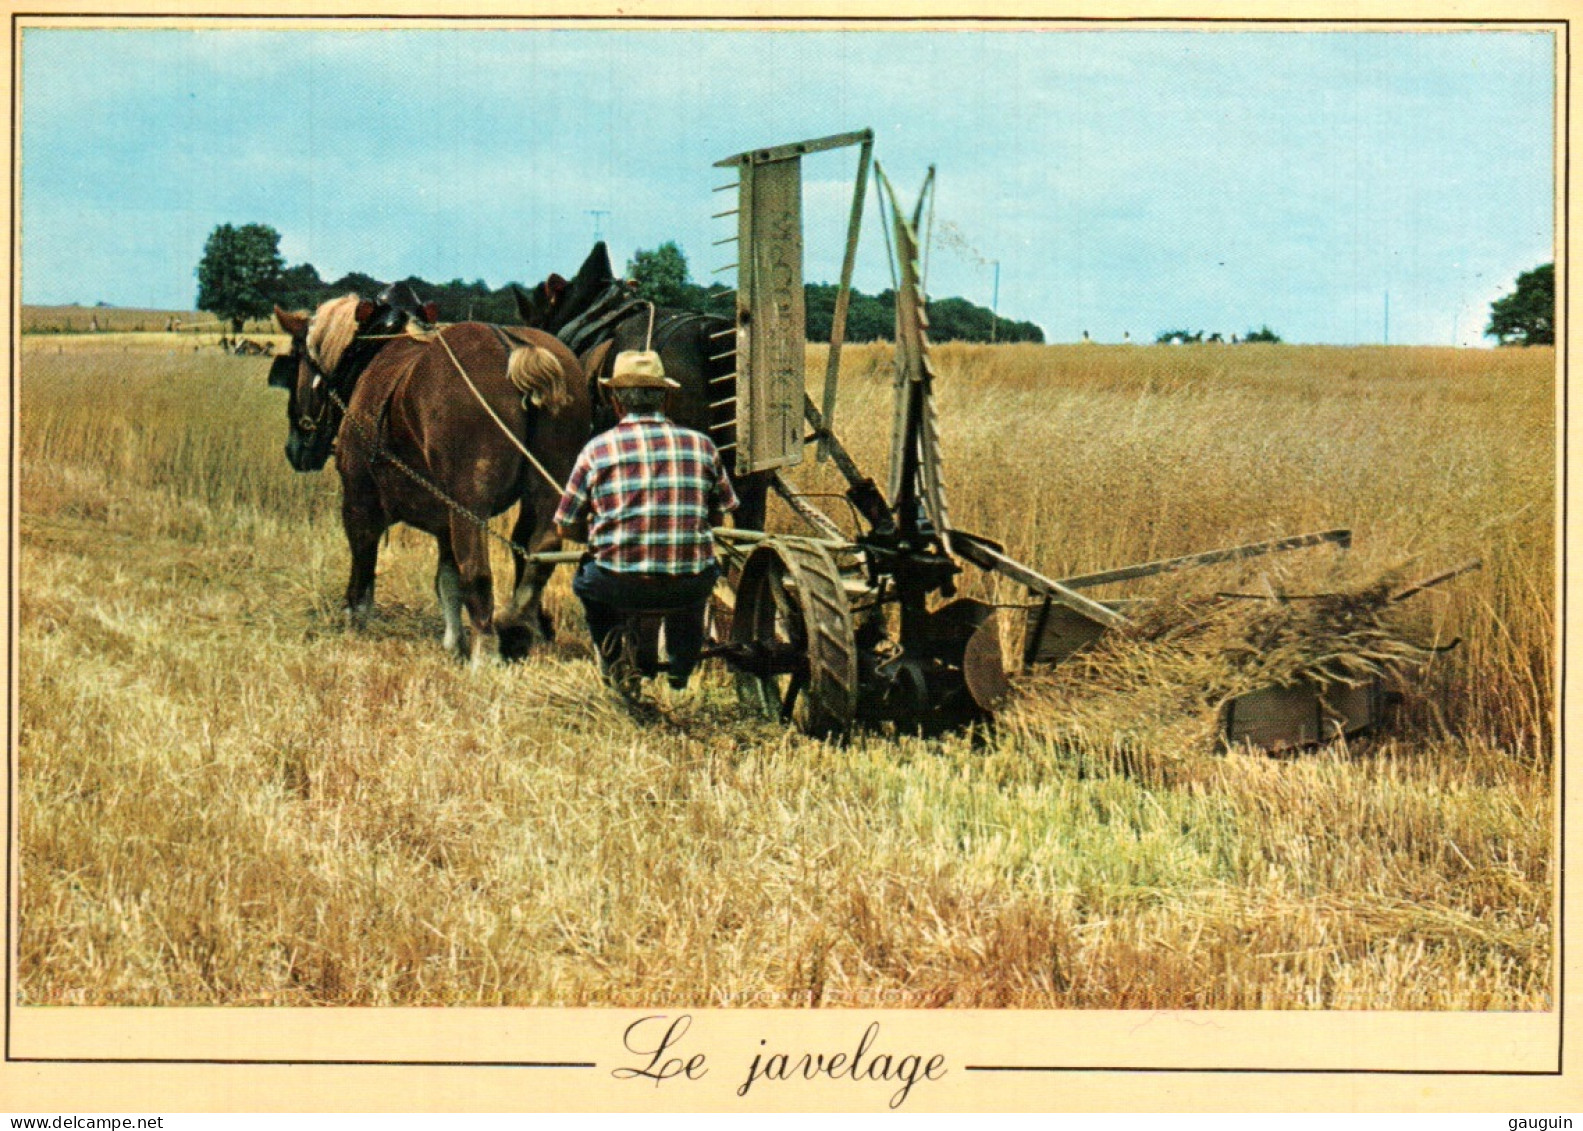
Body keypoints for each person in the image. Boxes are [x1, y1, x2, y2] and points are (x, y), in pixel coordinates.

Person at [554, 349, 738, 694]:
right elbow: (718, 514)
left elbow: (565, 525)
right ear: (666, 400)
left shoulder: (596, 450)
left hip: (618, 583)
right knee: (695, 581)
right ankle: (682, 664)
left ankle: (613, 664)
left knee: (586, 584)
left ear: (616, 402)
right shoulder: (703, 446)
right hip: (688, 584)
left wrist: (596, 537)